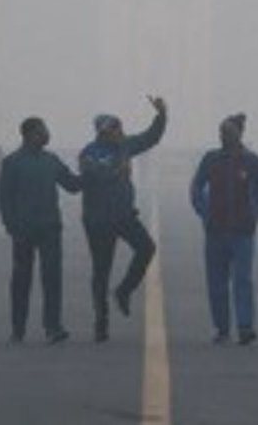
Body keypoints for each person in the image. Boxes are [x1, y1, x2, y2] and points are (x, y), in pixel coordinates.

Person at [79, 95, 167, 342]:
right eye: (116, 129)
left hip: (124, 215)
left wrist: (161, 115)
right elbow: (93, 177)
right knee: (101, 269)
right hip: (97, 220)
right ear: (104, 132)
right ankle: (101, 321)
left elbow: (151, 137)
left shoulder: (125, 146)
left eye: (121, 129)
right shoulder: (89, 152)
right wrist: (116, 171)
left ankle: (124, 290)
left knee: (147, 248)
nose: (121, 132)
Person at [0, 118, 82, 344]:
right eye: (42, 131)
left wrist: (95, 173)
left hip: (49, 228)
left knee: (52, 279)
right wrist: (11, 225)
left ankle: (53, 327)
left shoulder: (51, 160)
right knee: (21, 281)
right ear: (29, 134)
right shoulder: (12, 163)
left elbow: (72, 185)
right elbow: (5, 198)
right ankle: (18, 328)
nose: (46, 135)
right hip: (23, 230)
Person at [190, 113, 258, 345]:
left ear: (240, 133)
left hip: (242, 232)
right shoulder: (211, 159)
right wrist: (204, 212)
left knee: (243, 279)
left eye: (228, 132)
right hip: (215, 231)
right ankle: (222, 327)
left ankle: (245, 326)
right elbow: (196, 187)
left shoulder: (251, 161)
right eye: (221, 132)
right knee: (216, 282)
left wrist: (255, 214)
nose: (224, 136)